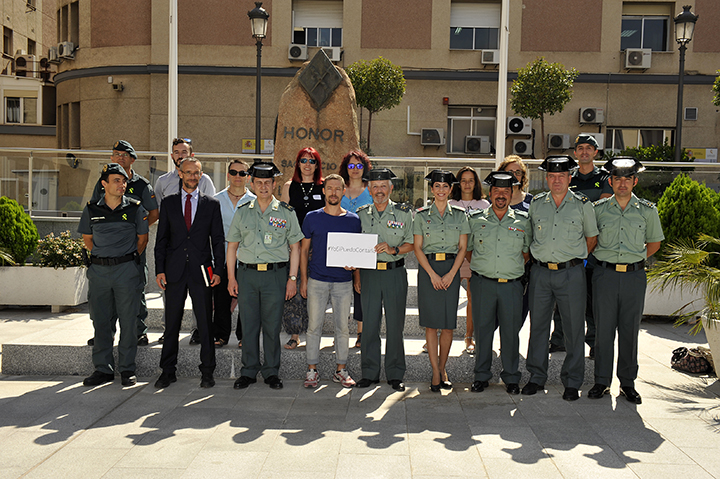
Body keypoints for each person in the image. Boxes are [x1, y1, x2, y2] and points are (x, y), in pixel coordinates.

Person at [587, 158, 664, 405]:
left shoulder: (647, 211)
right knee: (603, 330)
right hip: (605, 276)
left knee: (630, 331)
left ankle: (628, 384)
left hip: (634, 277)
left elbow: (654, 243)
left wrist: (635, 259)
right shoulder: (598, 210)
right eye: (617, 179)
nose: (622, 183)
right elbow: (591, 240)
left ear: (635, 181)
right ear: (610, 181)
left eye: (627, 179)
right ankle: (601, 381)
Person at [523, 156, 598, 401]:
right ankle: (536, 377)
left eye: (562, 176)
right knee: (539, 327)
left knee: (574, 329)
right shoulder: (536, 204)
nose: (557, 180)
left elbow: (591, 238)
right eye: (552, 176)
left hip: (571, 273)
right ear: (547, 178)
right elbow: (530, 236)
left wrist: (574, 260)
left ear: (569, 178)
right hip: (541, 273)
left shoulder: (583, 204)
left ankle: (572, 381)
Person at [228, 162, 304, 390]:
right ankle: (249, 371)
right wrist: (232, 278)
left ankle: (271, 371)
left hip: (275, 276)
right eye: (259, 182)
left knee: (271, 327)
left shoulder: (286, 212)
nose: (263, 187)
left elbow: (296, 247)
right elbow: (232, 247)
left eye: (267, 183)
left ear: (274, 184)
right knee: (249, 325)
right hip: (248, 276)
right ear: (252, 183)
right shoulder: (243, 212)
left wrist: (292, 279)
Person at [154, 158, 225, 389]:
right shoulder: (169, 203)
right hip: (174, 272)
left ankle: (207, 372)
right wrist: (160, 270)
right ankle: (167, 371)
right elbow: (161, 240)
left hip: (202, 272)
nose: (193, 177)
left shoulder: (211, 204)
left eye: (197, 173)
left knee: (205, 324)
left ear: (202, 175)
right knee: (172, 324)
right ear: (180, 174)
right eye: (188, 173)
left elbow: (218, 241)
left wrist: (218, 271)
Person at [78, 163, 149, 387]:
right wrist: (105, 257)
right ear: (104, 184)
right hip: (99, 272)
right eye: (116, 180)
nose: (122, 184)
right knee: (101, 321)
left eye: (124, 180)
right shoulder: (91, 209)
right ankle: (103, 369)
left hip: (126, 271)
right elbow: (87, 241)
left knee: (128, 322)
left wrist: (122, 258)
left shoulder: (135, 208)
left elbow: (142, 240)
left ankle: (127, 370)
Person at [87, 140, 158, 347]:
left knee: (135, 288)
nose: (120, 157)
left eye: (124, 155)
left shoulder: (142, 185)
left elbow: (153, 212)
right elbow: (93, 211)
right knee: (103, 295)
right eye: (116, 154)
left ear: (132, 159)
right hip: (107, 249)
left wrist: (138, 229)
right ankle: (103, 333)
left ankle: (139, 331)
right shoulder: (103, 183)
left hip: (134, 246)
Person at [466, 172, 531, 394]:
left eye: (505, 191)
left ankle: (511, 377)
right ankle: (481, 376)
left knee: (510, 333)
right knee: (483, 332)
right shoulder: (476, 220)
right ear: (490, 193)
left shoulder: (523, 221)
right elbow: (468, 251)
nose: (501, 195)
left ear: (512, 193)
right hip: (483, 283)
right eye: (496, 191)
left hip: (511, 285)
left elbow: (526, 253)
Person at [549, 134, 612, 356]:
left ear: (596, 152)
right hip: (568, 248)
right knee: (562, 297)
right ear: (575, 153)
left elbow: (600, 211)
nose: (584, 152)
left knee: (593, 300)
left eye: (589, 148)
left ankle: (594, 342)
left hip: (595, 248)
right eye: (580, 148)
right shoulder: (568, 177)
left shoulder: (605, 178)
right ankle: (559, 339)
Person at [354, 168, 414, 392]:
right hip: (368, 274)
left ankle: (395, 373)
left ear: (391, 188)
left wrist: (393, 249)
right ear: (369, 190)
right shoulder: (360, 214)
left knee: (395, 325)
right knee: (369, 325)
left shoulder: (404, 213)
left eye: (383, 186)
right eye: (375, 187)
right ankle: (369, 373)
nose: (379, 191)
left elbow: (412, 244)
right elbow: (354, 248)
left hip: (394, 273)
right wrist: (357, 274)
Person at [301, 174, 361, 388]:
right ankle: (311, 370)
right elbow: (304, 250)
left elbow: (356, 253)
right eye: (330, 188)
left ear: (343, 191)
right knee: (313, 327)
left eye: (338, 188)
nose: (334, 192)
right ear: (323, 191)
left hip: (343, 282)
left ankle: (341, 370)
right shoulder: (311, 217)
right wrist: (303, 279)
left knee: (342, 328)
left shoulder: (353, 220)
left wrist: (356, 275)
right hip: (317, 280)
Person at [154, 137, 216, 345]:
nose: (180, 155)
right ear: (172, 156)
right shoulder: (162, 182)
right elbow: (160, 221)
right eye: (177, 152)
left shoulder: (204, 180)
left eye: (184, 152)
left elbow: (209, 217)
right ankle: (168, 330)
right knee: (170, 301)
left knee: (202, 301)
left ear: (191, 155)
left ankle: (198, 331)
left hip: (199, 255)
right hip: (174, 254)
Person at [414, 170, 469, 392]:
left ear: (450, 189)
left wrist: (451, 274)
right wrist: (432, 274)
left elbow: (463, 248)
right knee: (431, 324)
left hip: (451, 269)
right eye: (437, 186)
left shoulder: (459, 215)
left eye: (445, 187)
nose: (441, 190)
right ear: (432, 189)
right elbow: (417, 248)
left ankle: (443, 368)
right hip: (429, 270)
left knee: (447, 325)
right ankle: (435, 371)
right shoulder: (420, 215)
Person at [280, 147, 324, 350]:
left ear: (317, 165)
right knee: (294, 290)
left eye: (312, 161)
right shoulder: (289, 186)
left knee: (316, 290)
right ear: (297, 164)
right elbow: (283, 218)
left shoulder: (323, 187)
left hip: (319, 246)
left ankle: (315, 332)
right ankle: (295, 334)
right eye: (303, 160)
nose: (307, 164)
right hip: (295, 246)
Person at [214, 160, 256, 348]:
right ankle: (221, 335)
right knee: (221, 298)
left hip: (247, 257)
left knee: (246, 299)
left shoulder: (255, 202)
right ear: (228, 175)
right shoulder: (216, 200)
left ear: (248, 177)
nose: (238, 176)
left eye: (242, 173)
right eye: (234, 172)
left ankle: (243, 336)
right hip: (221, 256)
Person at [448, 166, 490, 354]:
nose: (467, 184)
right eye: (463, 180)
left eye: (470, 180)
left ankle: (469, 337)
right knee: (447, 298)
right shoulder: (449, 203)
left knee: (473, 299)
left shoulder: (484, 205)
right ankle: (439, 334)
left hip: (475, 256)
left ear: (476, 183)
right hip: (452, 256)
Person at [339, 150, 373, 348]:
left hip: (363, 245)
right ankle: (341, 330)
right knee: (340, 291)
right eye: (351, 166)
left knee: (360, 290)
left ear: (365, 168)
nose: (355, 170)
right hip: (340, 245)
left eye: (359, 166)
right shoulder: (339, 188)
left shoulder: (370, 190)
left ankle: (361, 332)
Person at [498, 155, 533, 325]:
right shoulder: (494, 201)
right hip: (496, 266)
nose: (514, 175)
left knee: (519, 310)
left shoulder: (532, 203)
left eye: (517, 172)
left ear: (523, 176)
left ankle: (509, 345)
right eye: (509, 171)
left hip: (524, 268)